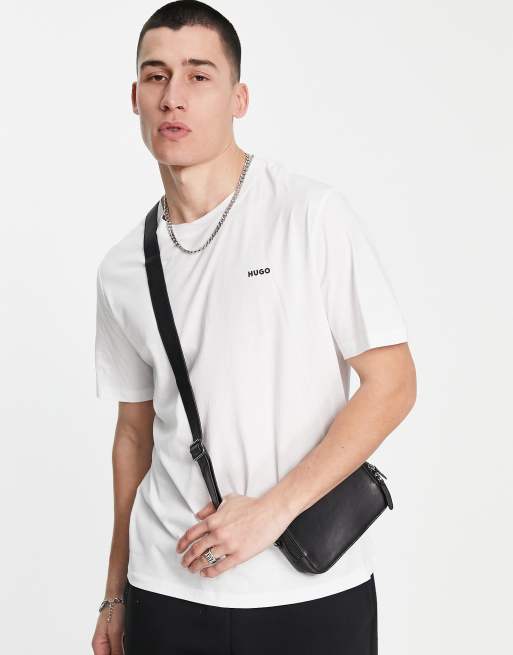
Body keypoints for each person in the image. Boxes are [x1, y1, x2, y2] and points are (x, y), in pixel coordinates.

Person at [91, 1, 417, 654]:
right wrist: (115, 591)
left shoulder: (309, 214)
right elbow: (132, 435)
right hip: (166, 590)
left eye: (198, 75)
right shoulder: (123, 267)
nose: (173, 96)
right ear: (135, 98)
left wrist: (272, 512)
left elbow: (393, 384)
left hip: (311, 584)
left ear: (238, 98)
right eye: (155, 76)